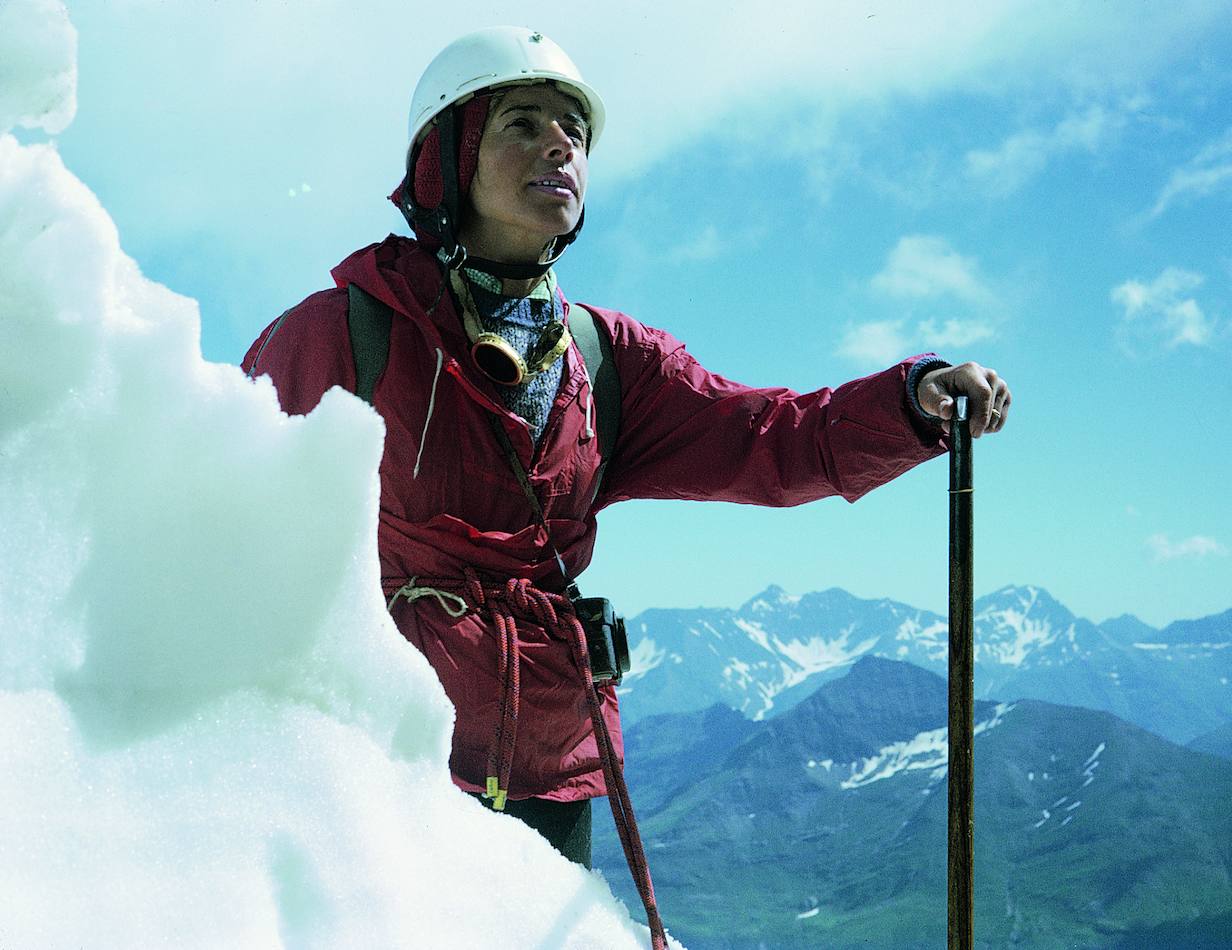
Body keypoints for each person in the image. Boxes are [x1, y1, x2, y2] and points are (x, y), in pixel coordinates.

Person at [242, 25, 1011, 941]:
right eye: (522, 122)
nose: (560, 145)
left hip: (549, 775)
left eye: (575, 130)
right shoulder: (340, 337)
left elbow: (763, 438)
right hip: (381, 765)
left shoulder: (607, 363)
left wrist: (909, 405)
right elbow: (224, 524)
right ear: (446, 160)